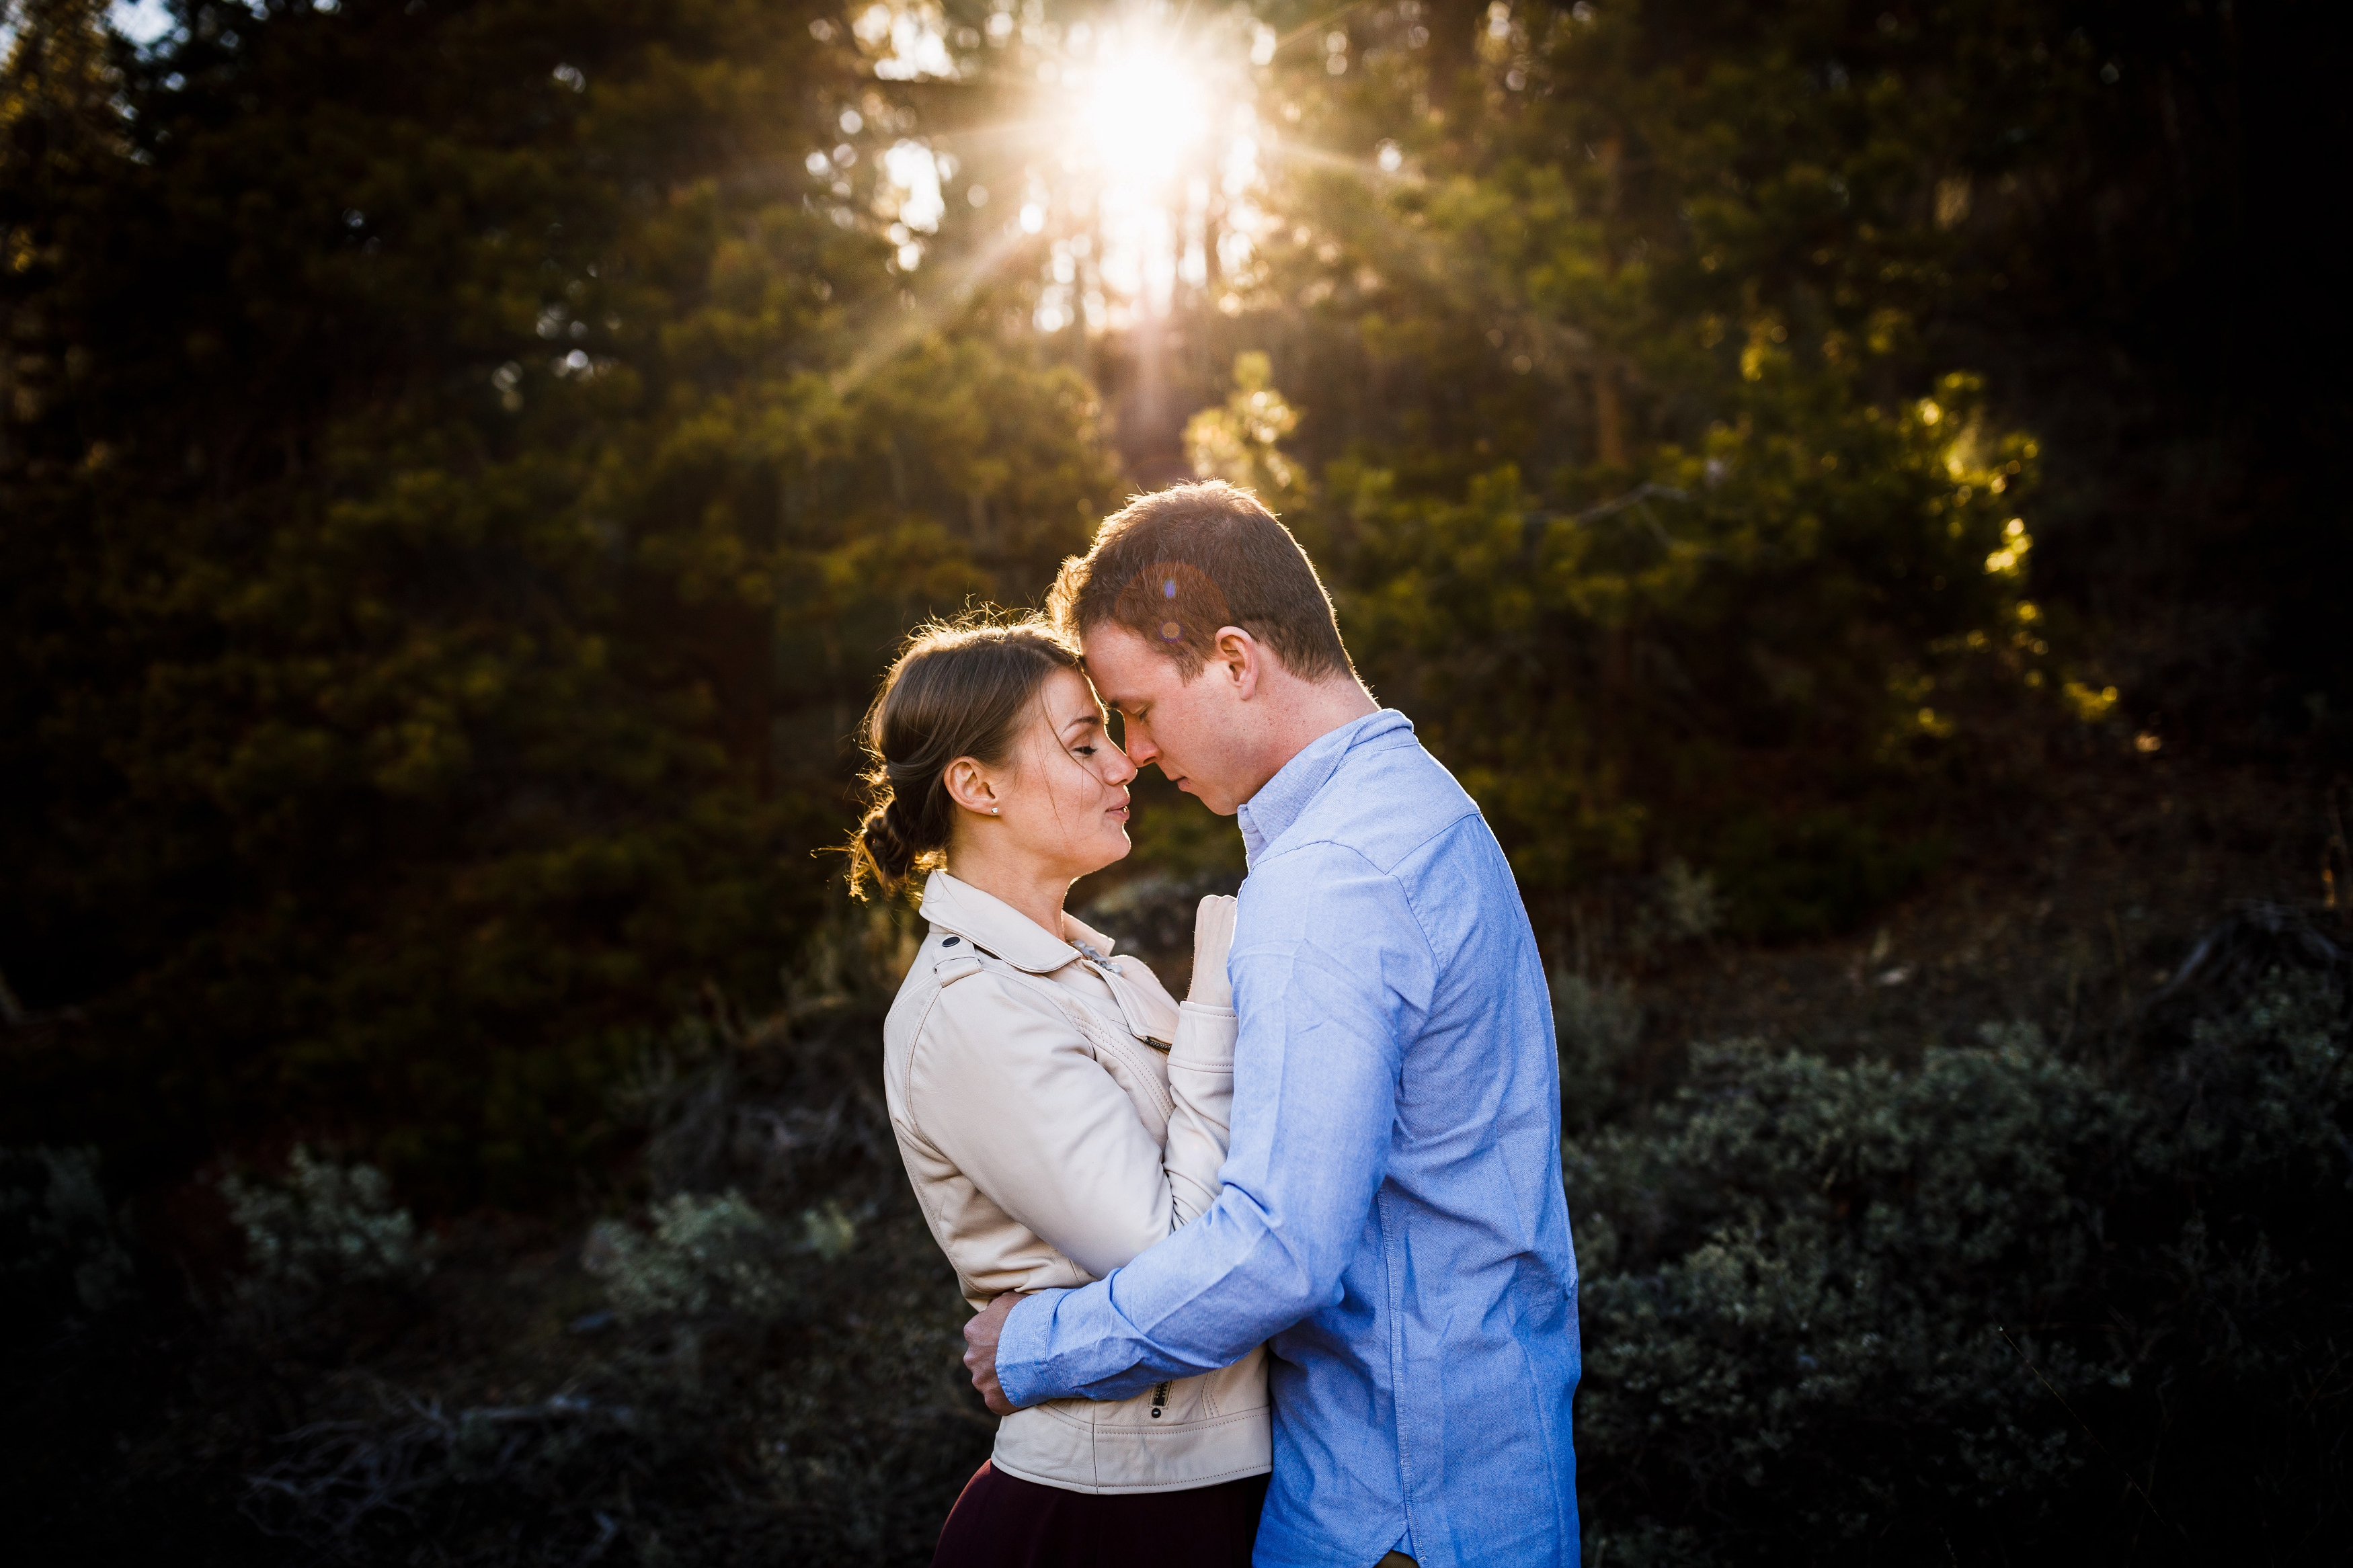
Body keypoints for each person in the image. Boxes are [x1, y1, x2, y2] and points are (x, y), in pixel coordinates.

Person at [959, 482, 1582, 1568]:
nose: (1136, 752)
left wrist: (1040, 1345)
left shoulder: (1328, 878)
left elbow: (1281, 1247)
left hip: (1389, 1517)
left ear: (1236, 660)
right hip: (1489, 1482)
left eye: (1142, 709)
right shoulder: (1428, 806)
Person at [850, 616, 1274, 1568]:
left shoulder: (1102, 973)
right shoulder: (970, 1008)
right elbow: (1177, 1263)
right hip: (1099, 1519)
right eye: (1084, 743)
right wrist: (1216, 1009)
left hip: (1216, 1492)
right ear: (975, 784)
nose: (1125, 765)